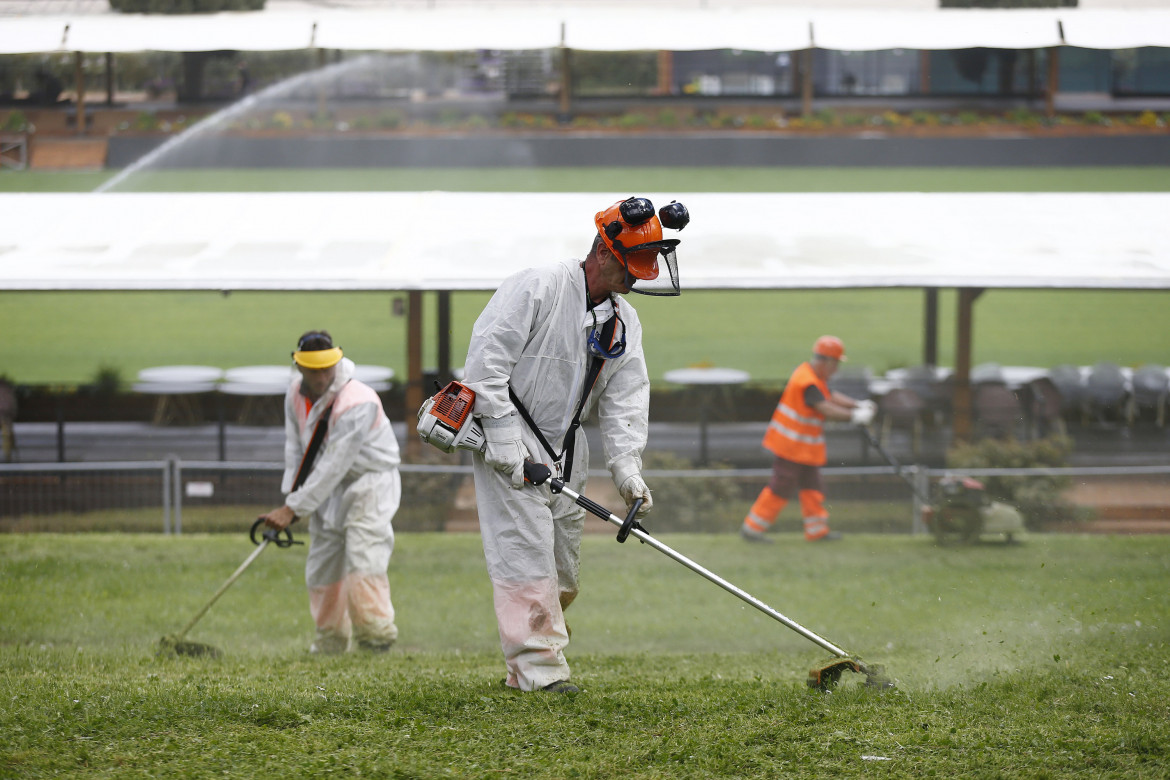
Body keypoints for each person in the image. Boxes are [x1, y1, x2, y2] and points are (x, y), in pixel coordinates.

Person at [462, 195, 689, 694]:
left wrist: (628, 471)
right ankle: (542, 673)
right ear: (605, 253)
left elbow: (627, 398)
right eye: (634, 265)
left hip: (567, 446)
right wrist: (502, 441)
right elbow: (485, 364)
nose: (640, 277)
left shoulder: (623, 321)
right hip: (512, 439)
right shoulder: (537, 288)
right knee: (525, 557)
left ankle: (525, 661)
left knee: (563, 572)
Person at [260, 330, 402, 654]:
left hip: (370, 483)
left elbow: (334, 464)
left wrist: (293, 509)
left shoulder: (358, 401)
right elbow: (297, 450)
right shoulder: (294, 394)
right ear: (299, 367)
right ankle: (330, 641)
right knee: (322, 566)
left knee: (364, 558)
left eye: (327, 368)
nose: (322, 376)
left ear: (337, 361)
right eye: (313, 370)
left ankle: (375, 639)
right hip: (325, 487)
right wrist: (290, 498)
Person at [740, 335, 876, 544]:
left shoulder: (813, 377)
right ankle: (752, 529)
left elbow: (829, 396)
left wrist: (857, 405)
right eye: (836, 364)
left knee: (813, 487)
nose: (837, 370)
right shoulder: (807, 381)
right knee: (781, 487)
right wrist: (854, 416)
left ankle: (816, 531)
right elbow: (825, 407)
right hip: (791, 447)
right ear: (827, 361)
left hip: (803, 449)